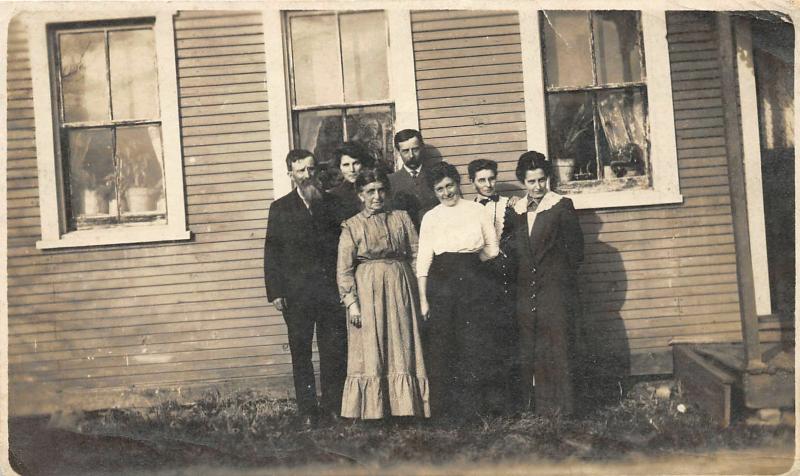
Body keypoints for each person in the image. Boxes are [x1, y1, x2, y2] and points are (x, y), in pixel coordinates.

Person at [337, 169, 430, 420]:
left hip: (401, 286)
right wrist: (352, 304)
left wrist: (421, 295)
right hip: (368, 291)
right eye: (370, 192)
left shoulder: (401, 218)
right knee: (371, 345)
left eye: (380, 190)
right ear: (360, 195)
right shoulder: (352, 225)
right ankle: (374, 410)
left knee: (402, 342)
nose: (377, 196)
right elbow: (344, 270)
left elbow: (415, 254)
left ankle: (406, 409)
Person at [263, 149, 347, 425]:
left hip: (329, 292)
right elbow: (272, 252)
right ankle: (308, 411)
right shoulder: (280, 208)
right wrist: (275, 292)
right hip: (296, 295)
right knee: (301, 353)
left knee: (333, 351)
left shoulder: (333, 204)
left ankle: (332, 407)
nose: (308, 175)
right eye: (301, 171)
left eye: (312, 169)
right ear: (291, 175)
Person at [416, 161, 499, 420]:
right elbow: (423, 261)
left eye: (449, 186)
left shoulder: (477, 210)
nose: (446, 193)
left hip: (474, 283)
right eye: (439, 189)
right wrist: (423, 300)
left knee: (473, 343)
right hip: (441, 284)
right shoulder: (431, 217)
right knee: (444, 345)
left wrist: (472, 267)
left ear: (458, 183)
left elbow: (492, 249)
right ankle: (446, 411)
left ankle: (475, 409)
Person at [511, 151, 584, 416]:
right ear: (523, 182)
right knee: (533, 345)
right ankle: (540, 406)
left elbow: (576, 251)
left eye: (541, 180)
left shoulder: (561, 206)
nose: (537, 187)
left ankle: (564, 407)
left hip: (554, 289)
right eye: (531, 182)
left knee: (558, 345)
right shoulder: (516, 210)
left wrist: (557, 277)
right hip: (526, 290)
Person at [467, 159, 520, 414]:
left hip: (504, 278)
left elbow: (515, 239)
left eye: (491, 179)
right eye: (481, 180)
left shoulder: (509, 206)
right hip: (480, 279)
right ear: (472, 182)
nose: (488, 185)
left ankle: (511, 402)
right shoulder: (466, 209)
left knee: (506, 337)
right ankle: (487, 403)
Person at [388, 129, 439, 230]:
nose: (411, 155)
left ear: (422, 148)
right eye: (405, 151)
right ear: (398, 152)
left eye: (415, 149)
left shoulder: (436, 175)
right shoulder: (391, 181)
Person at [330, 142, 375, 220]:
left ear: (363, 163)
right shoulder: (335, 196)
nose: (352, 170)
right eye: (346, 165)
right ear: (339, 167)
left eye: (356, 163)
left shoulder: (376, 187)